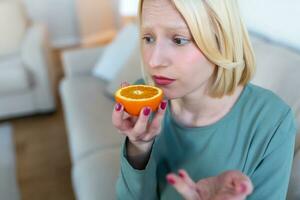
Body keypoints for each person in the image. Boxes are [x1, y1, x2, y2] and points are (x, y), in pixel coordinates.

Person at [112, 0, 297, 199]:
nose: (154, 61)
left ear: (222, 41)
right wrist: (139, 147)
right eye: (148, 38)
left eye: (179, 40)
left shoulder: (272, 122)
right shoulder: (147, 100)